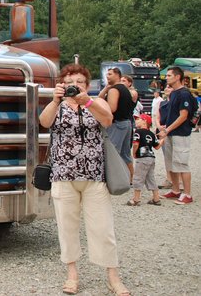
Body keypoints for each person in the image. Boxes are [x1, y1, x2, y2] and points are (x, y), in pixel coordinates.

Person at [39, 63, 130, 296]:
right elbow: (44, 122)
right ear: (62, 85)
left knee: (103, 228)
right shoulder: (57, 105)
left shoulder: (96, 102)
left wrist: (87, 102)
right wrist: (55, 100)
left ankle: (113, 276)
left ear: (87, 85)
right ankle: (72, 274)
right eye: (69, 82)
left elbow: (107, 119)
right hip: (63, 175)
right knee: (66, 227)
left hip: (94, 175)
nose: (75, 86)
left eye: (79, 82)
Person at [158, 67, 195, 204]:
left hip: (181, 133)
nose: (166, 77)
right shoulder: (173, 93)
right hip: (171, 133)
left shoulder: (184, 94)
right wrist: (165, 127)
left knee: (181, 163)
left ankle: (187, 194)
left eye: (169, 75)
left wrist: (167, 129)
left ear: (178, 77)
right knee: (170, 163)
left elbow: (183, 116)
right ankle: (175, 190)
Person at [99, 68, 135, 183]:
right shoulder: (124, 88)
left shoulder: (114, 90)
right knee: (125, 154)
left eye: (110, 74)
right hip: (127, 123)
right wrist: (106, 88)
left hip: (117, 124)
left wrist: (100, 111)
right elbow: (100, 98)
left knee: (112, 153)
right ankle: (130, 179)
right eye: (107, 74)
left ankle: (113, 180)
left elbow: (112, 108)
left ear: (117, 75)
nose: (107, 76)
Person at [127, 114, 161, 206]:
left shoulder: (138, 132)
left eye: (138, 119)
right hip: (151, 157)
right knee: (150, 177)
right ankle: (156, 198)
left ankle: (136, 199)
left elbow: (135, 144)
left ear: (144, 121)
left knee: (138, 177)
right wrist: (163, 139)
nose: (136, 121)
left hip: (142, 158)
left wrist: (134, 152)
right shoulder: (151, 134)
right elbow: (157, 146)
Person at [156, 86, 174, 189]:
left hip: (172, 131)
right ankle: (169, 178)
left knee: (175, 157)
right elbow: (157, 117)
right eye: (166, 87)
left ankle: (178, 180)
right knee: (166, 156)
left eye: (169, 87)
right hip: (163, 131)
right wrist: (159, 126)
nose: (166, 89)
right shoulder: (162, 103)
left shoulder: (176, 103)